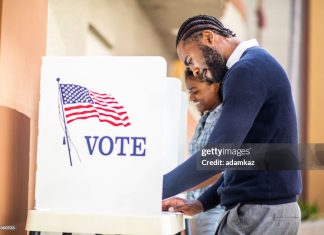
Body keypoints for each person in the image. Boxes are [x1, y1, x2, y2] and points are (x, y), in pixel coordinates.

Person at [162, 15, 302, 235]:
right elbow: (245, 158)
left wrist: (152, 189)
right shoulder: (254, 66)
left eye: (190, 60)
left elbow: (219, 154)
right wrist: (201, 204)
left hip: (260, 213)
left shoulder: (247, 71)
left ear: (209, 37)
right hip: (264, 210)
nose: (196, 71)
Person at [184, 69, 224, 235]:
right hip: (195, 209)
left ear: (214, 86)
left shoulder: (225, 118)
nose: (191, 98)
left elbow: (216, 169)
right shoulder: (205, 118)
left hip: (214, 210)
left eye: (195, 91)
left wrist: (176, 187)